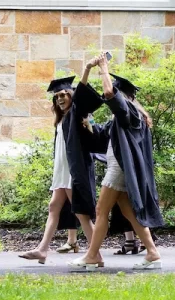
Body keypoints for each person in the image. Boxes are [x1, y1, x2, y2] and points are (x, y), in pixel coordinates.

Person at [69, 55, 163, 271]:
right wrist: (89, 122)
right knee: (128, 211)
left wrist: (103, 67)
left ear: (125, 96)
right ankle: (152, 253)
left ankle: (92, 255)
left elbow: (110, 93)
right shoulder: (124, 116)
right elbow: (103, 136)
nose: (106, 96)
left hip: (119, 168)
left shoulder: (130, 111)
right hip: (118, 166)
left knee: (101, 209)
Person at [19, 76, 91, 264]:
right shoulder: (61, 119)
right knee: (54, 207)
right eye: (57, 96)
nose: (60, 99)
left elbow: (83, 94)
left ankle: (94, 252)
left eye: (63, 95)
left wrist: (88, 69)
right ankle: (42, 250)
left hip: (71, 171)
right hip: (61, 171)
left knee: (80, 213)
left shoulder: (75, 115)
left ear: (71, 96)